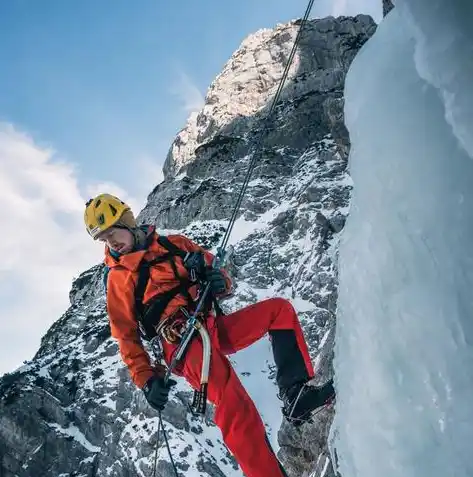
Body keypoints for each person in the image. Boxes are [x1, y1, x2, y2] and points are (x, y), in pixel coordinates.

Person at [84, 193, 335, 477]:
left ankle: (296, 394)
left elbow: (220, 275)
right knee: (233, 402)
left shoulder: (174, 244)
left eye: (111, 233)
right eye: (103, 239)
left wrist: (218, 281)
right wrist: (146, 380)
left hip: (211, 324)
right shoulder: (118, 279)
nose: (110, 243)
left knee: (279, 311)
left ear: (127, 222)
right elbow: (127, 337)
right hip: (181, 343)